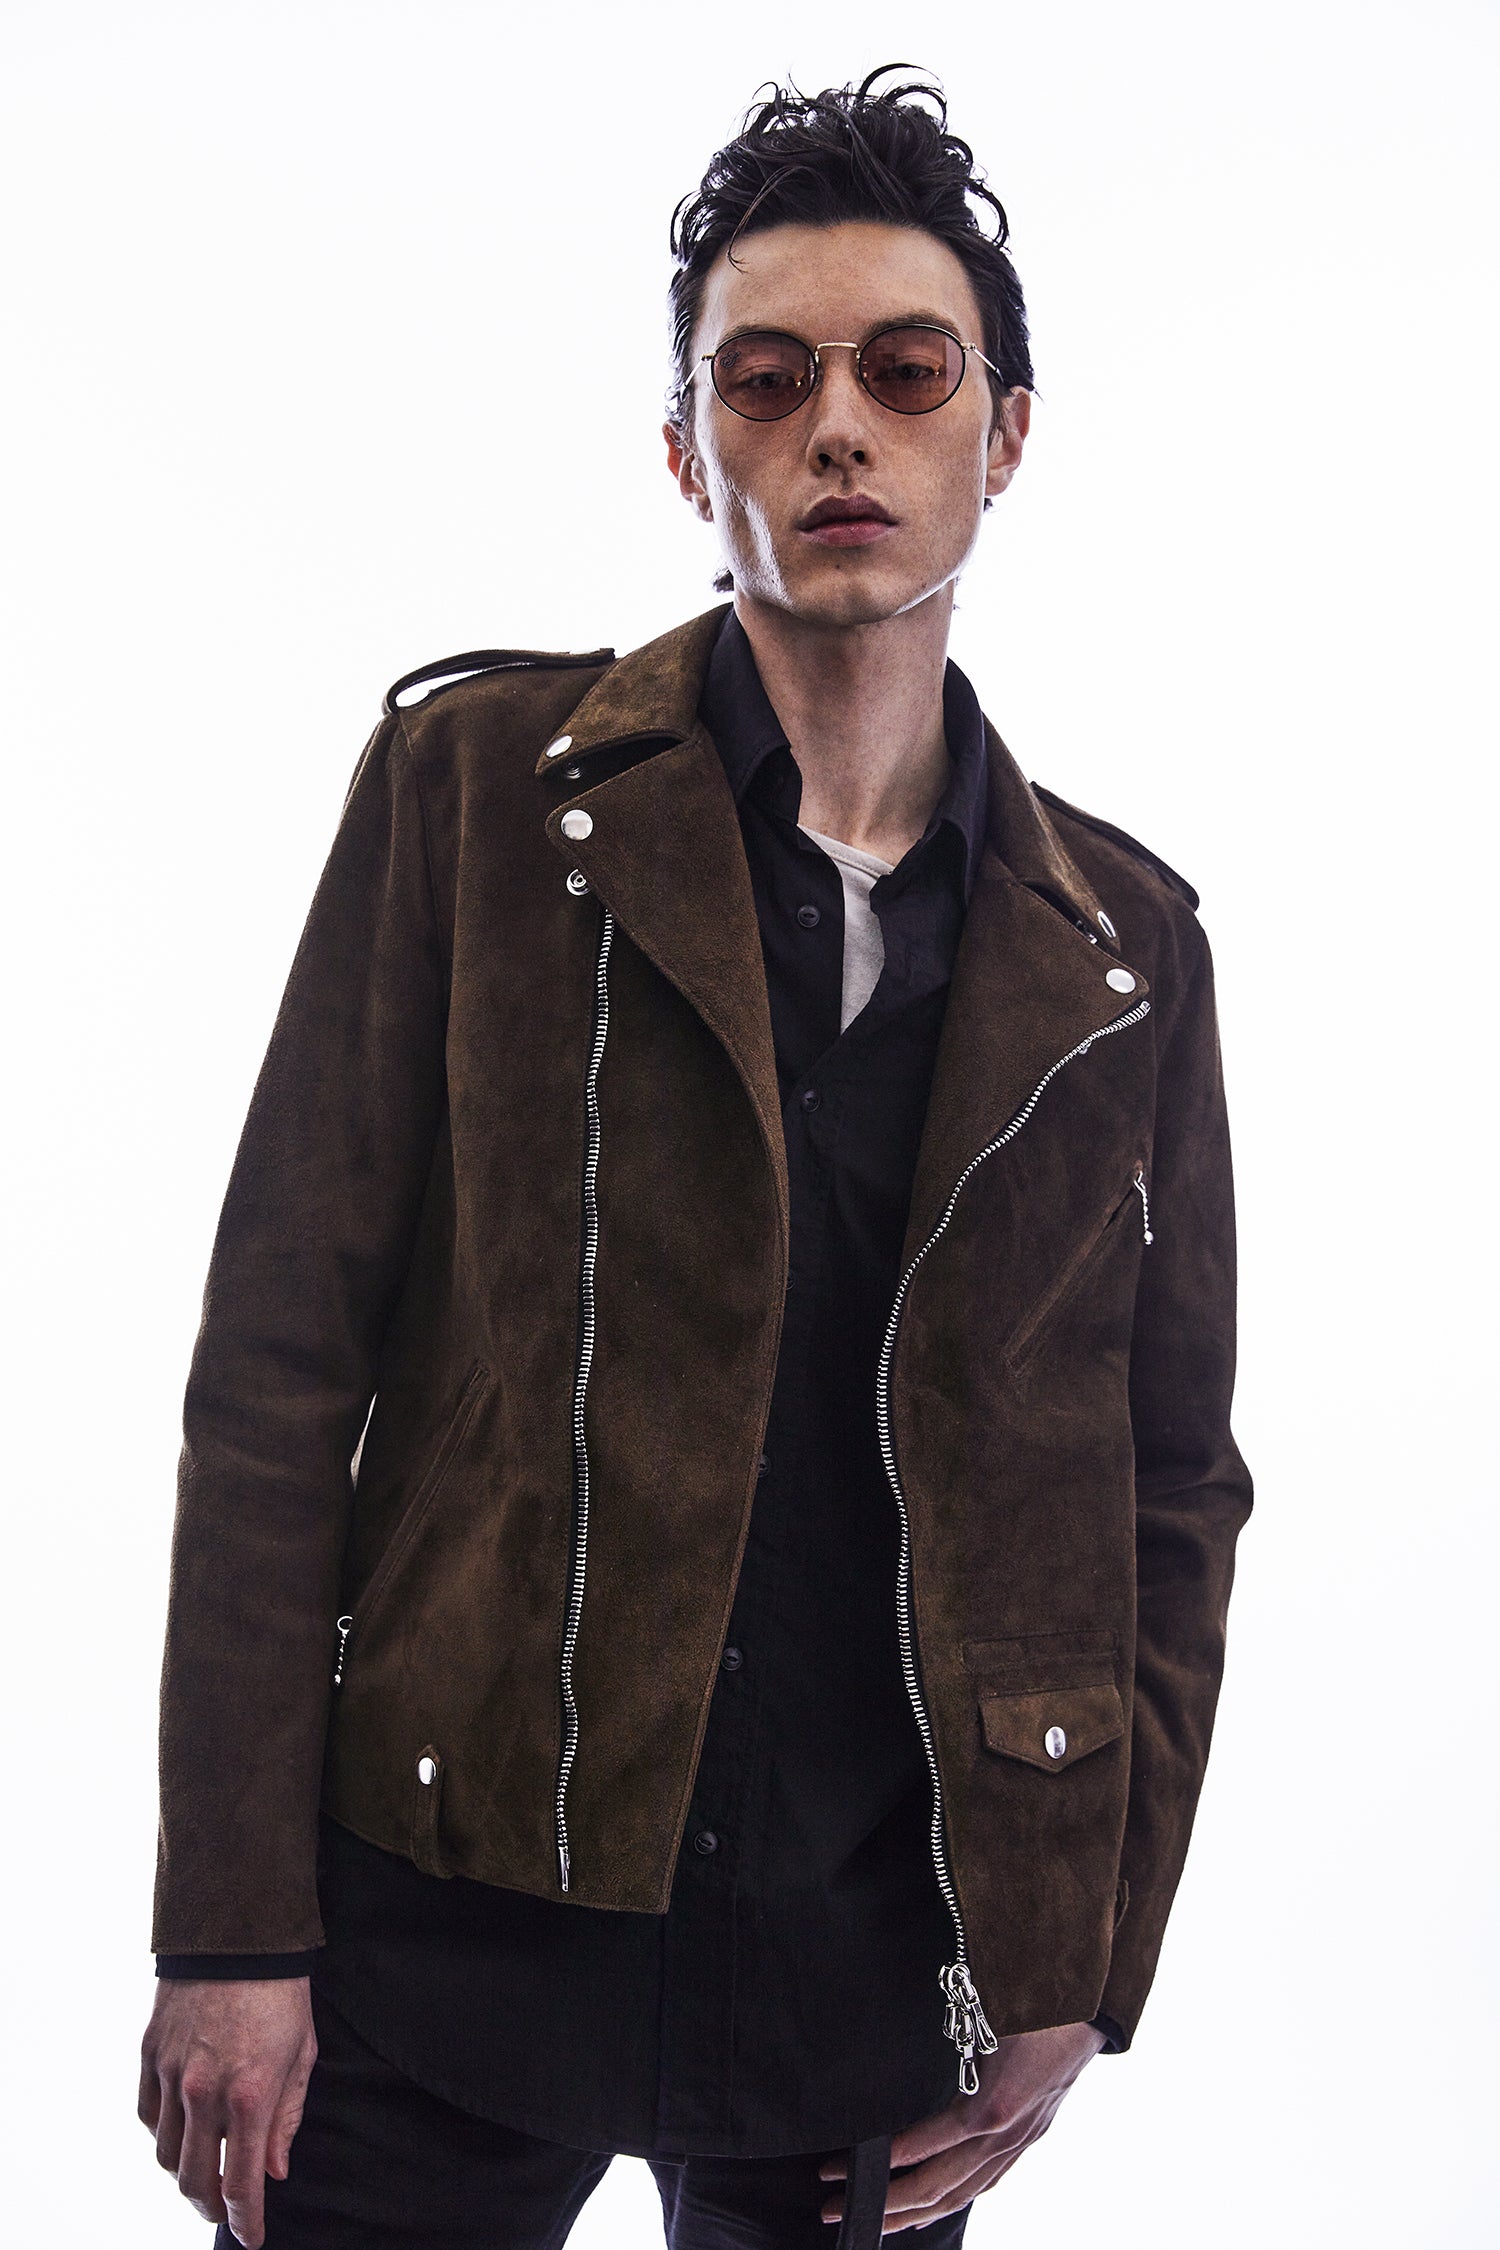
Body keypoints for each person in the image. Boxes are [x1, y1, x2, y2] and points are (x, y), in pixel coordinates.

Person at [138, 67, 1252, 2250]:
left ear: (1004, 436)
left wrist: (1080, 1951)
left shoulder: (1123, 950)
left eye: (907, 372)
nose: (838, 430)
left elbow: (1166, 1481)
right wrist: (231, 1925)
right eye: (767, 378)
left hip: (868, 1985)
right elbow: (278, 1372)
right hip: (443, 1928)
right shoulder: (478, 796)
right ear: (687, 450)